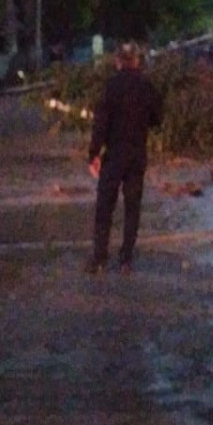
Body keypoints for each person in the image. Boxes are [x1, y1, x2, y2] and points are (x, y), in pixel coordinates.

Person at [85, 41, 164, 274]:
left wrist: (93, 154)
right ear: (137, 61)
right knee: (132, 208)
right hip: (137, 154)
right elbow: (157, 118)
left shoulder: (111, 86)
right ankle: (126, 260)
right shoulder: (146, 86)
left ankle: (100, 258)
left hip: (114, 155)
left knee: (104, 207)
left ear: (118, 61)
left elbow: (101, 123)